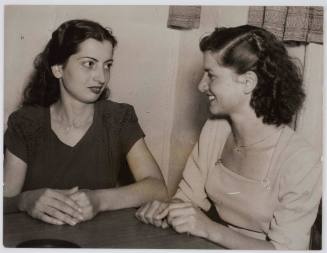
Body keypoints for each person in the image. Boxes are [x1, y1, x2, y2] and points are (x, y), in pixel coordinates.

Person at [135, 25, 322, 250]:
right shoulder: (215, 129)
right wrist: (167, 210)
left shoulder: (301, 160)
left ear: (247, 82)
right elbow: (187, 198)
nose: (201, 85)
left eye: (211, 75)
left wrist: (210, 229)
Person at [4, 19, 168, 226]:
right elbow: (5, 200)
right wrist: (25, 201)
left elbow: (158, 188)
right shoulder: (25, 123)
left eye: (107, 65)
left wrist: (99, 200)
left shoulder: (118, 118)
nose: (101, 77)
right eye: (89, 64)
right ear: (58, 69)